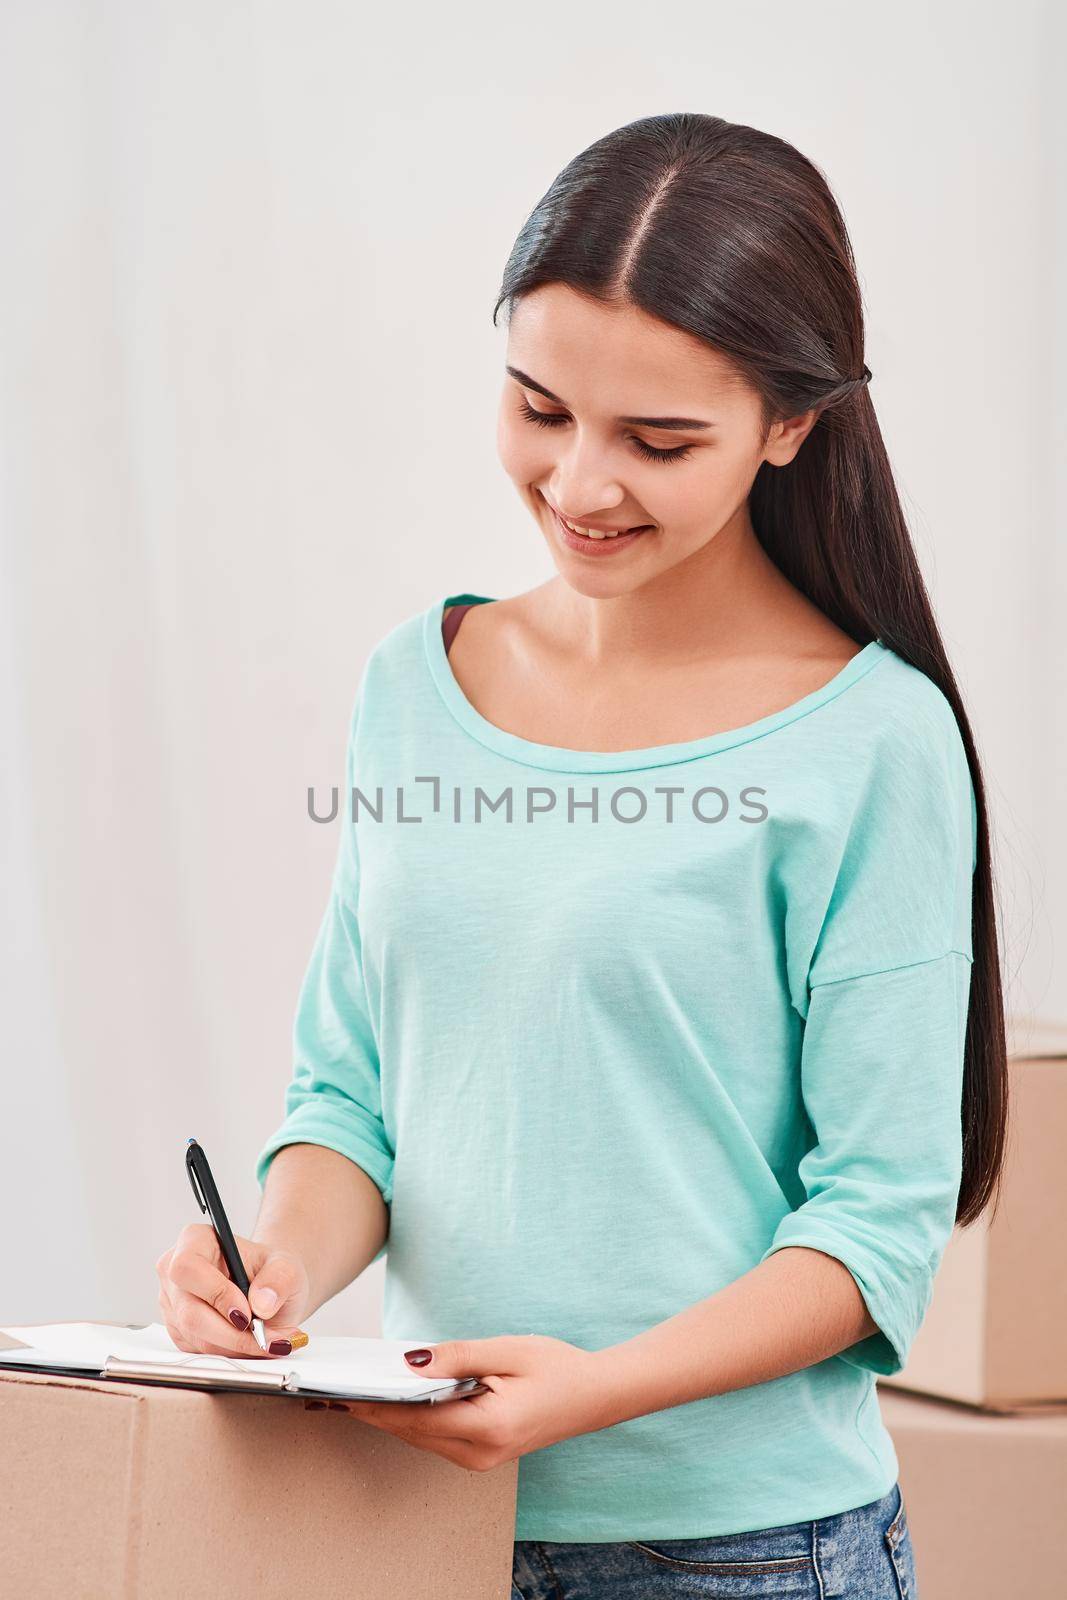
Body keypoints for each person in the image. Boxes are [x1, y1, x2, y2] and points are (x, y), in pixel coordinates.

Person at [155, 112, 1008, 1599]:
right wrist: (273, 1267)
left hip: (744, 1554)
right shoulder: (416, 684)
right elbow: (355, 1097)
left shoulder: (872, 744)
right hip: (412, 1522)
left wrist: (587, 1395)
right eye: (540, 408)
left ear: (792, 423)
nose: (580, 485)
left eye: (658, 441)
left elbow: (876, 1229)